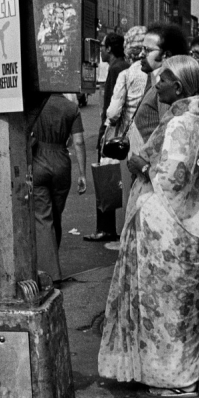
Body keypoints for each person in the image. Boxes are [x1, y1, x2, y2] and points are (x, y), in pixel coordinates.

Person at [98, 56, 199, 396]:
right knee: (168, 305)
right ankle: (169, 373)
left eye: (164, 79)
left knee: (165, 307)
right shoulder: (188, 116)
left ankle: (173, 378)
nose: (156, 83)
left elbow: (174, 179)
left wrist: (141, 165)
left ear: (178, 87)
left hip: (169, 230)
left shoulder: (180, 123)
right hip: (173, 225)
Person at [32, 94, 87, 285]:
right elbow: (78, 141)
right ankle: (51, 261)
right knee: (56, 216)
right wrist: (82, 173)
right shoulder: (71, 108)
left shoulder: (35, 104)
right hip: (62, 163)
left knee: (42, 218)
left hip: (38, 161)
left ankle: (49, 272)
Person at [84, 32, 129, 244]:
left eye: (102, 47)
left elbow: (112, 108)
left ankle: (105, 227)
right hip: (122, 132)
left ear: (109, 49)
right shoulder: (124, 65)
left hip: (111, 130)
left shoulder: (115, 69)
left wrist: (104, 132)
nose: (100, 50)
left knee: (104, 177)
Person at [130, 23, 189, 146]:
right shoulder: (153, 79)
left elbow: (168, 133)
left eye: (147, 50)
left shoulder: (165, 87)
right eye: (141, 49)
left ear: (166, 55)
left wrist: (145, 163)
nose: (141, 54)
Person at [105, 26, 148, 155]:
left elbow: (113, 113)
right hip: (150, 137)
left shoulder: (126, 74)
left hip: (129, 139)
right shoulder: (159, 73)